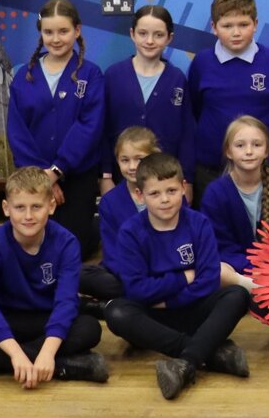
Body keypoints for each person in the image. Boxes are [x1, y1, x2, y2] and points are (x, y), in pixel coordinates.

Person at [103, 153, 254, 399]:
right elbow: (136, 289)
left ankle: (185, 363)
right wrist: (185, 277)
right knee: (116, 312)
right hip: (153, 316)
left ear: (183, 188)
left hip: (193, 309)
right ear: (140, 195)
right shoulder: (130, 232)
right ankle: (208, 353)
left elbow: (207, 280)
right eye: (155, 194)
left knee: (237, 295)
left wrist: (167, 298)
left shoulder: (199, 223)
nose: (164, 200)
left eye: (171, 191)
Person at [0, 166, 108, 387]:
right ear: (6, 208)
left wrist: (47, 352)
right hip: (7, 317)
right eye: (20, 207)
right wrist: (16, 354)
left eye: (36, 207)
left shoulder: (66, 243)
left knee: (89, 328)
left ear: (51, 206)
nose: (28, 216)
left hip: (46, 317)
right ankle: (65, 365)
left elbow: (66, 302)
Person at [5, 0, 106, 257]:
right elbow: (18, 131)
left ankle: (94, 226)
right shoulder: (24, 76)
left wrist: (57, 171)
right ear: (41, 32)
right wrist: (42, 176)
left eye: (63, 31)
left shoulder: (91, 74)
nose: (56, 39)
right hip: (33, 173)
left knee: (75, 249)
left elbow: (89, 126)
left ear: (77, 31)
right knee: (32, 243)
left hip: (75, 173)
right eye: (49, 32)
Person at [186, 0, 269, 194]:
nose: (236, 33)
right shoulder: (202, 62)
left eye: (243, 25)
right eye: (227, 26)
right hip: (211, 170)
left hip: (267, 169)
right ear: (214, 27)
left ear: (256, 25)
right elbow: (195, 110)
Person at [101, 5, 190, 191]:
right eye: (143, 33)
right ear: (132, 34)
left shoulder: (177, 79)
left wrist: (186, 180)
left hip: (166, 180)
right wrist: (105, 175)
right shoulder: (113, 76)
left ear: (169, 38)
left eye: (158, 35)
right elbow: (101, 129)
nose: (149, 41)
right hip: (121, 178)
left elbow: (187, 133)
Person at [198, 116, 269, 275]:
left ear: (266, 151)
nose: (249, 151)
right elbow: (219, 245)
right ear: (228, 151)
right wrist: (251, 268)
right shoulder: (215, 194)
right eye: (240, 145)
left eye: (256, 145)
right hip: (235, 274)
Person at [85, 126, 160, 304]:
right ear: (117, 161)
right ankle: (145, 294)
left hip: (163, 269)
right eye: (125, 160)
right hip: (126, 273)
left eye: (139, 159)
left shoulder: (168, 194)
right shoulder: (109, 202)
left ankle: (126, 299)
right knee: (81, 275)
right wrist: (136, 276)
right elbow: (112, 253)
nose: (132, 167)